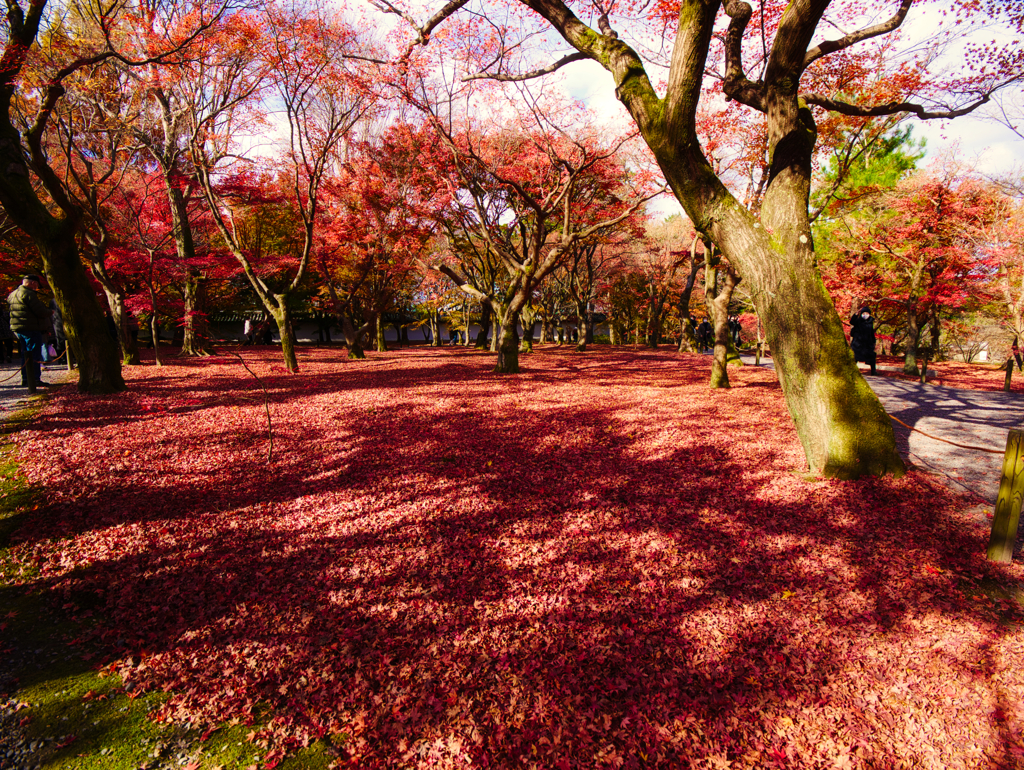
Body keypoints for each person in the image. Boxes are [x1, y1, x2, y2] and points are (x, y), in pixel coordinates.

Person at [8, 274, 52, 393]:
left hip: (18, 328)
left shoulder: (12, 294)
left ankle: (26, 379)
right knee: (34, 354)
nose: (37, 287)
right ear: (32, 282)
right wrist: (50, 312)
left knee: (25, 354)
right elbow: (40, 311)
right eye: (37, 284)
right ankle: (34, 379)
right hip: (31, 327)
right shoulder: (29, 294)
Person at [849, 305, 877, 375]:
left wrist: (873, 342)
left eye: (867, 313)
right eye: (863, 313)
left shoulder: (870, 322)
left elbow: (871, 333)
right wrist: (856, 314)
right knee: (855, 358)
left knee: (872, 357)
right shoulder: (858, 321)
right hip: (858, 344)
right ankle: (852, 371)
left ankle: (873, 371)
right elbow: (852, 322)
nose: (865, 315)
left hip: (867, 344)